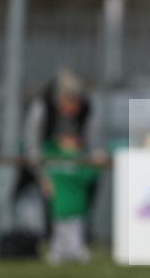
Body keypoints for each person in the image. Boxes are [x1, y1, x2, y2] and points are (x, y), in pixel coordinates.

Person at [19, 67, 104, 238]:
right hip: (47, 164)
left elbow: (92, 142)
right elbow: (32, 146)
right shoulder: (42, 107)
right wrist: (42, 176)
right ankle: (48, 236)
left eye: (75, 102)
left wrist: (95, 156)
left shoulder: (86, 109)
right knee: (47, 199)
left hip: (74, 166)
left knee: (81, 198)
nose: (72, 108)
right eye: (68, 101)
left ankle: (81, 236)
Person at [41, 132, 98, 264]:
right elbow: (88, 177)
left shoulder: (53, 157)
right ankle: (71, 252)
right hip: (73, 202)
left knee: (62, 229)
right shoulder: (77, 158)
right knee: (71, 230)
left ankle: (61, 252)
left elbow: (44, 156)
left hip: (61, 203)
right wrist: (96, 165)